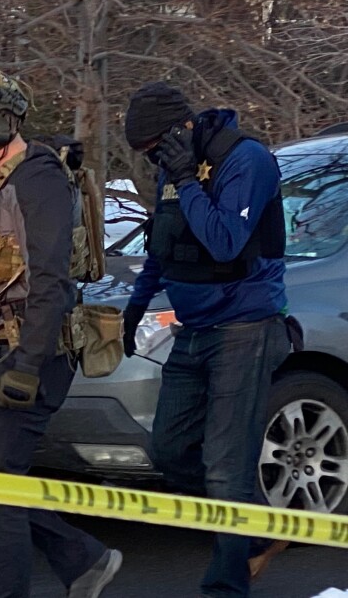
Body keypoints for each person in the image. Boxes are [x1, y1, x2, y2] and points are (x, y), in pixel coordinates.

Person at [0, 63, 122, 598]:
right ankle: (83, 558)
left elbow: (49, 281)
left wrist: (27, 366)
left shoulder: (38, 178)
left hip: (29, 351)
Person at [121, 81, 292, 597]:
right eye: (146, 152)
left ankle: (226, 584)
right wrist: (135, 306)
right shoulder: (171, 171)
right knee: (169, 450)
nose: (152, 157)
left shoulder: (249, 161)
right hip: (194, 330)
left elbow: (224, 241)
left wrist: (186, 182)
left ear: (181, 128)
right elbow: (164, 244)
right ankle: (256, 529)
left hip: (245, 328)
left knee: (225, 466)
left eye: (154, 146)